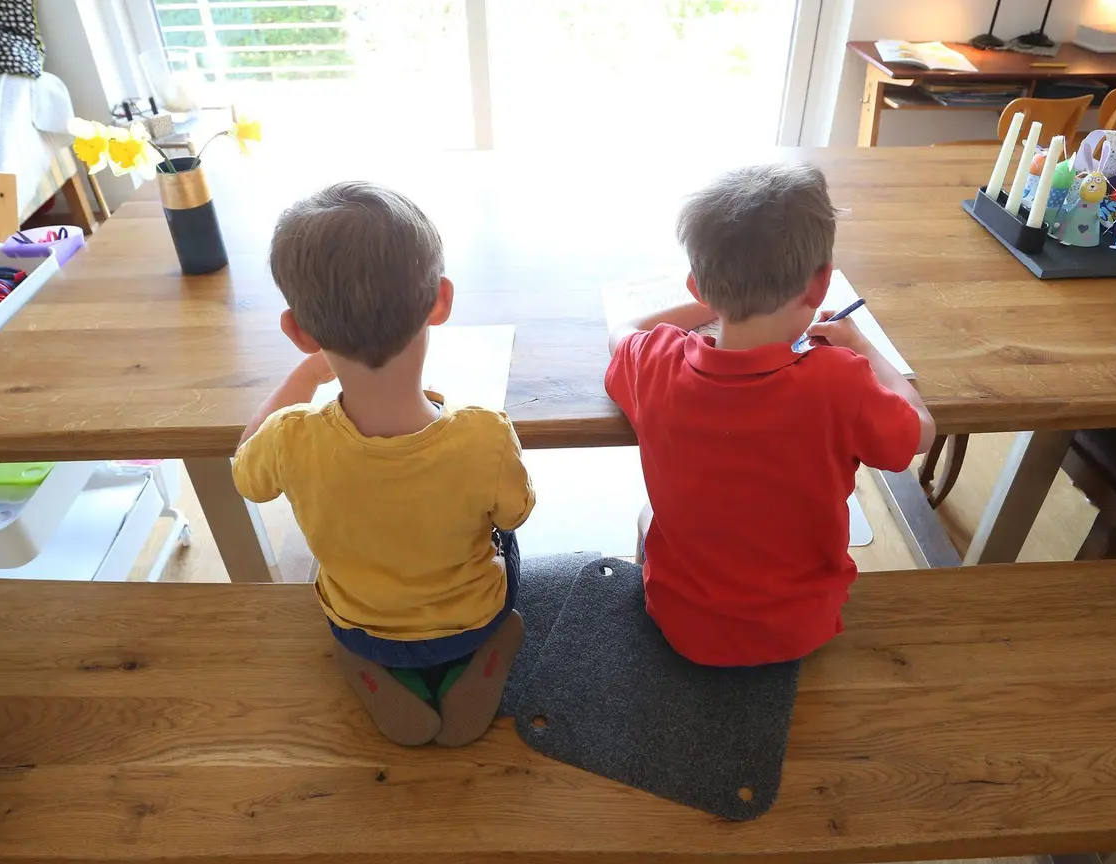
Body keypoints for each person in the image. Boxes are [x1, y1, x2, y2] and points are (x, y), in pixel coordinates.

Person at [234, 181, 535, 746]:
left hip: (362, 627)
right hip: (472, 621)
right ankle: (483, 654)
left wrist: (307, 376)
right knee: (507, 536)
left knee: (352, 597)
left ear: (299, 332)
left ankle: (373, 669)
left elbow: (244, 469)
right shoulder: (483, 435)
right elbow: (515, 515)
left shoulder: (289, 438)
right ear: (441, 301)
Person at [605, 162, 935, 667]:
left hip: (684, 629)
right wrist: (862, 345)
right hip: (801, 628)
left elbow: (623, 330)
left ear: (696, 287)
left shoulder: (656, 363)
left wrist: (719, 299)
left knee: (649, 515)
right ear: (820, 287)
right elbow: (922, 432)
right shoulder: (841, 381)